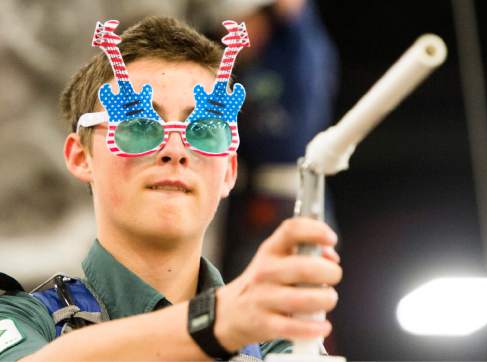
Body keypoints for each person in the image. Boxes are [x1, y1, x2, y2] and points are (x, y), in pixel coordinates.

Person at [0, 16, 341, 361]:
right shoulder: (24, 321)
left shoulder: (277, 346)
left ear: (229, 171)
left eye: (204, 131)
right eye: (139, 127)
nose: (175, 150)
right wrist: (216, 322)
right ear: (80, 156)